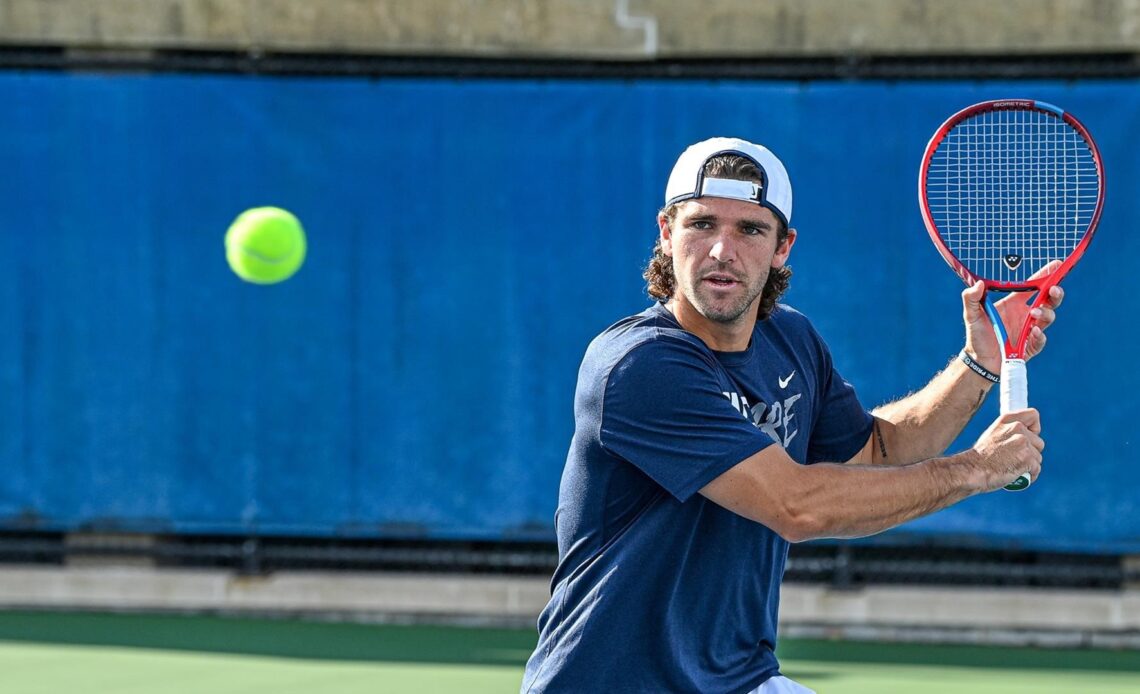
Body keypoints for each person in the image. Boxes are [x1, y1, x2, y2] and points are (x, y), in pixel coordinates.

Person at [520, 137, 1062, 694]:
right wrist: (976, 469)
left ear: (783, 247)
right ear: (666, 233)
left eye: (750, 230)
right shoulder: (641, 366)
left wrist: (980, 362)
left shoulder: (791, 339)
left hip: (739, 679)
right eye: (702, 224)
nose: (721, 250)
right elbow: (795, 505)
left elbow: (876, 454)